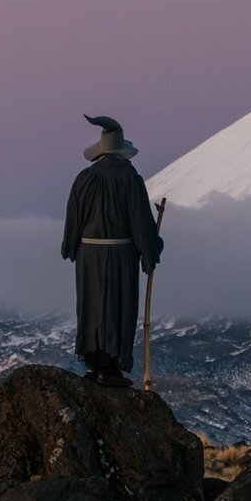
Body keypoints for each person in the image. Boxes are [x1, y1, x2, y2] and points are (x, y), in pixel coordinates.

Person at [62, 114, 163, 387]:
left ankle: (95, 363)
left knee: (92, 306)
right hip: (120, 255)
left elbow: (74, 218)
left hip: (88, 256)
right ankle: (111, 367)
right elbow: (140, 220)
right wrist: (150, 249)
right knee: (118, 306)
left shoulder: (84, 178)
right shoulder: (130, 178)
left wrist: (72, 245)